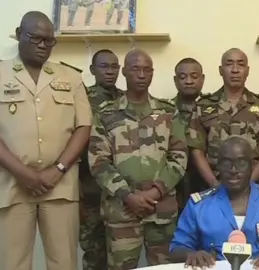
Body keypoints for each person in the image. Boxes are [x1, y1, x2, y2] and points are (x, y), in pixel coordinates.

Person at [0, 11, 92, 270]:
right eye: (35, 38)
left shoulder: (71, 77)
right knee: (12, 263)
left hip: (60, 186)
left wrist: (58, 169)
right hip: (11, 185)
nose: (42, 46)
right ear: (19, 35)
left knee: (64, 262)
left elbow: (83, 126)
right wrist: (25, 174)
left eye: (49, 41)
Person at [88, 49, 188, 269]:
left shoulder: (168, 112)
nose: (142, 75)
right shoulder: (106, 114)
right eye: (135, 69)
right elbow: (98, 161)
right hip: (122, 211)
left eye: (147, 70)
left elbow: (179, 157)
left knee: (166, 268)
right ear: (124, 72)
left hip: (161, 211)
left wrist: (155, 192)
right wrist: (128, 195)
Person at [170, 137, 259, 269]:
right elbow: (176, 249)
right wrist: (191, 254)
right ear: (218, 165)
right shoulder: (198, 205)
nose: (233, 170)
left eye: (241, 163)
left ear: (252, 165)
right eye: (226, 163)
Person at [189, 48, 259, 189]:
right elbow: (196, 150)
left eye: (240, 64)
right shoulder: (203, 106)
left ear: (247, 70)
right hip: (213, 187)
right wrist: (215, 185)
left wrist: (247, 185)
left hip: (252, 188)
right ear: (221, 70)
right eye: (229, 64)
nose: (235, 70)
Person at [79, 49, 123, 270]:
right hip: (91, 189)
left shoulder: (126, 98)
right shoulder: (82, 99)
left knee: (119, 251)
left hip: (121, 189)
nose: (110, 72)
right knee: (94, 251)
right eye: (104, 67)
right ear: (92, 70)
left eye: (114, 67)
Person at [171, 58, 207, 211]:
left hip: (208, 177)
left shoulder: (214, 107)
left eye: (194, 76)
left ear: (203, 79)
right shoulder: (164, 110)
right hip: (176, 182)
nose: (189, 81)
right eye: (183, 77)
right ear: (175, 80)